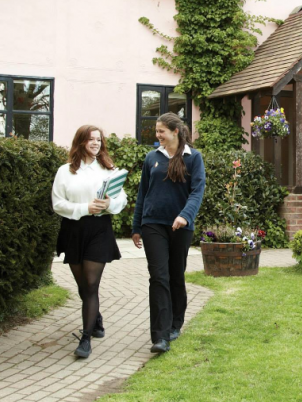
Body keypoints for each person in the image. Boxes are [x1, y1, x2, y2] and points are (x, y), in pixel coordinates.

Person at [132, 112, 206, 354]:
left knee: (175, 276)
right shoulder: (151, 157)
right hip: (153, 223)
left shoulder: (193, 158)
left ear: (175, 131)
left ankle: (175, 323)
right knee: (158, 277)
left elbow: (197, 191)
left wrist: (185, 215)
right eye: (157, 131)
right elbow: (143, 193)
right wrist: (136, 226)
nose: (157, 135)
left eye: (161, 131)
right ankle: (160, 336)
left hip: (181, 227)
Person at [52, 125, 127, 359]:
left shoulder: (108, 169)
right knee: (83, 284)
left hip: (99, 229)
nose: (96, 143)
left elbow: (122, 198)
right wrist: (85, 208)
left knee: (92, 284)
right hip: (74, 230)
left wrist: (109, 204)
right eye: (91, 139)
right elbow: (58, 204)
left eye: (99, 139)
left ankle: (85, 339)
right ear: (81, 142)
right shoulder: (65, 171)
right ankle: (96, 318)